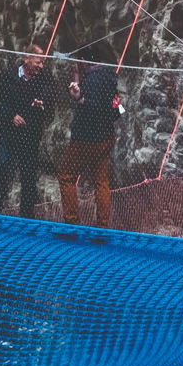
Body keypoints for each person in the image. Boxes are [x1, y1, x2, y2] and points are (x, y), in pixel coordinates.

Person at [59, 44, 122, 228]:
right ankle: (103, 225)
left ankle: (72, 223)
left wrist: (80, 98)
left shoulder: (92, 80)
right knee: (101, 182)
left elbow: (92, 107)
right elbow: (118, 110)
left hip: (85, 139)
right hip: (105, 137)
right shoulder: (110, 77)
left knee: (66, 176)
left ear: (83, 60)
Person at [0, 45, 52, 218]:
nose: (41, 66)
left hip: (30, 135)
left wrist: (42, 101)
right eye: (38, 62)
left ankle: (27, 213)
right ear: (26, 58)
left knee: (29, 174)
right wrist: (11, 116)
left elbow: (50, 96)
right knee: (3, 168)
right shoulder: (8, 76)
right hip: (8, 132)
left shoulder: (44, 79)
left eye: (43, 62)